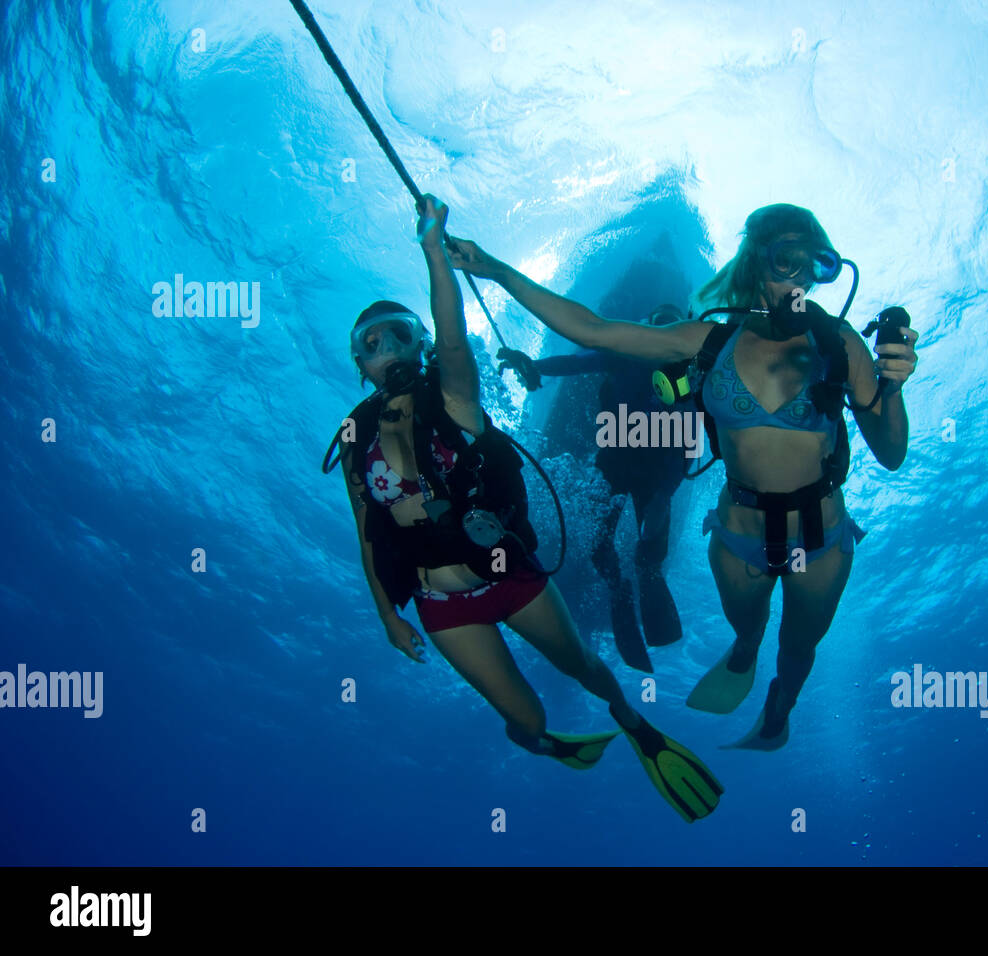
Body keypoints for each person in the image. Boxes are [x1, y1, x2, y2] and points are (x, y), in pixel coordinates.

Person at [444, 203, 918, 750]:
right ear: (754, 262)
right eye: (788, 258)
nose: (802, 278)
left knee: (799, 647)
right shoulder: (706, 341)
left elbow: (891, 454)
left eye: (819, 265)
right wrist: (496, 269)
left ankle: (778, 713)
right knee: (750, 629)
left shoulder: (840, 344)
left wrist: (894, 386)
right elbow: (594, 329)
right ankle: (742, 652)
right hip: (740, 539)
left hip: (822, 539)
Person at [321, 194, 723, 820]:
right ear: (360, 365)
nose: (387, 348)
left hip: (506, 571)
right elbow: (366, 532)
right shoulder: (354, 440)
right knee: (529, 721)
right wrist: (385, 616)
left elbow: (455, 342)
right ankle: (538, 732)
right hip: (439, 603)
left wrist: (435, 252)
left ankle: (634, 724)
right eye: (370, 344)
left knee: (586, 665)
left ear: (419, 341)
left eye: (399, 333)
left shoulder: (453, 393)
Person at [496, 304, 688, 673]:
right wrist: (534, 366)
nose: (664, 334)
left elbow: (690, 436)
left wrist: (666, 493)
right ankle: (618, 588)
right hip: (614, 462)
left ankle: (646, 571)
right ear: (647, 326)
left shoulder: (686, 373)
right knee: (600, 547)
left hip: (658, 469)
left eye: (673, 326)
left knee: (650, 553)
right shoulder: (624, 354)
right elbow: (577, 363)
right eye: (659, 324)